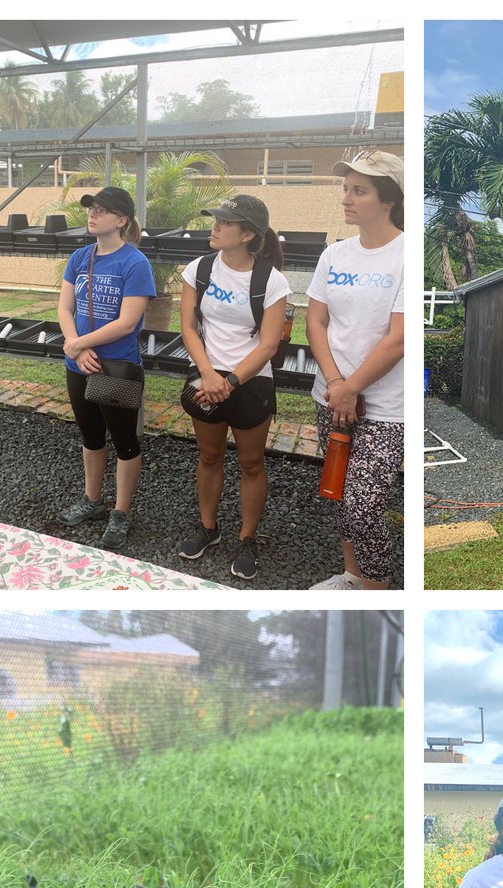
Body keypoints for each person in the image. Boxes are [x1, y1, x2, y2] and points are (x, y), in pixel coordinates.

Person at [176, 195, 291, 581]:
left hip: (250, 381)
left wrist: (229, 382)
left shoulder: (272, 282)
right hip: (207, 377)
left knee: (251, 463)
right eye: (217, 219)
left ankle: (247, 538)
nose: (216, 226)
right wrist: (208, 374)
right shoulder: (198, 269)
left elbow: (269, 345)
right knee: (209, 456)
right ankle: (208, 528)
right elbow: (189, 328)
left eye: (226, 222)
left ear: (248, 234)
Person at [306, 150, 404, 590]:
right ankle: (351, 577)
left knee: (363, 506)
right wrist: (335, 383)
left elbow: (398, 339)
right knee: (338, 490)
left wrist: (352, 388)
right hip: (330, 395)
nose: (346, 199)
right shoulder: (334, 254)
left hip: (386, 407)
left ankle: (378, 594)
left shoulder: (404, 255)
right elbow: (316, 321)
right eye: (346, 189)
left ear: (388, 200)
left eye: (359, 191)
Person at [56, 186, 155, 551]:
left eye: (102, 210)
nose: (93, 214)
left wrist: (80, 343)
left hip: (115, 367)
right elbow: (65, 308)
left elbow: (128, 322)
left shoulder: (135, 263)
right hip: (79, 364)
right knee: (91, 436)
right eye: (91, 208)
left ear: (122, 220)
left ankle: (121, 512)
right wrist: (76, 346)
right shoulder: (80, 257)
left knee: (125, 442)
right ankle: (93, 500)